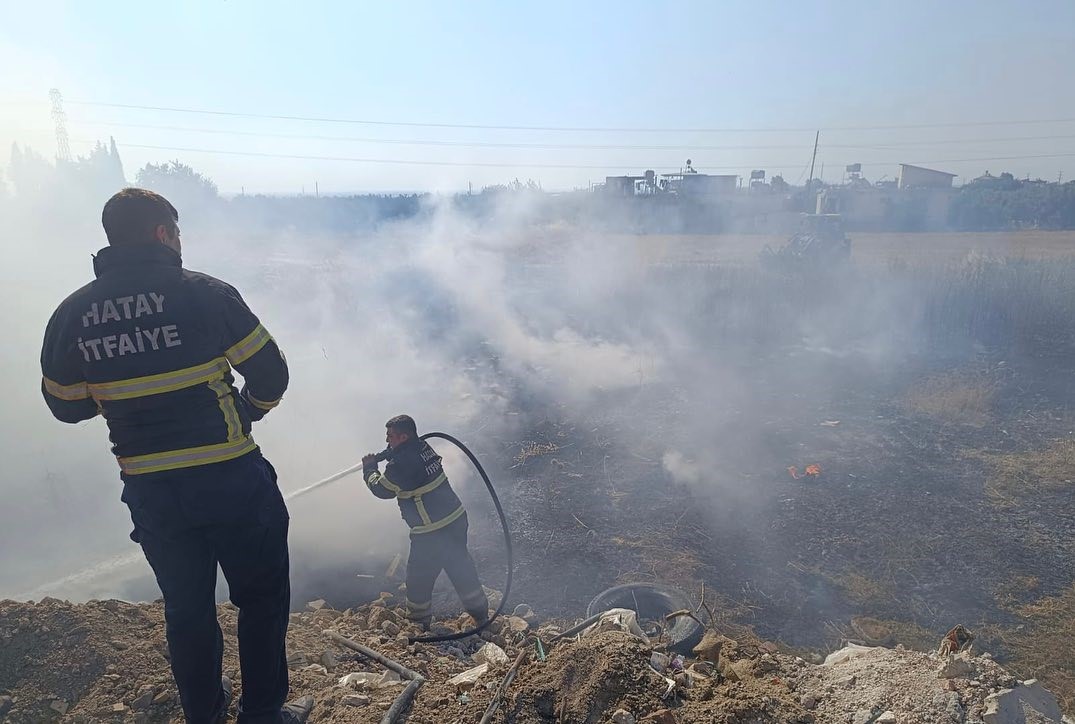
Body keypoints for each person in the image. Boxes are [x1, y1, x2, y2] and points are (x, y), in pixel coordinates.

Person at [39, 188, 313, 724]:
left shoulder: (72, 314)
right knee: (260, 598)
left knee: (187, 611)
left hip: (154, 491)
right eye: (178, 232)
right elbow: (271, 375)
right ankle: (263, 714)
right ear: (164, 233)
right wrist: (248, 410)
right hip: (232, 478)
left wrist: (123, 396)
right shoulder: (206, 294)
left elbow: (66, 407)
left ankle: (203, 717)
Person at [362, 415, 489, 627]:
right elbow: (404, 459)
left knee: (419, 578)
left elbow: (381, 489)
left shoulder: (401, 464)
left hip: (432, 531)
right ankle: (482, 616)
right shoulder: (422, 446)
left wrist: (369, 469)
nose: (387, 441)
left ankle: (418, 624)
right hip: (456, 520)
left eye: (391, 437)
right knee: (460, 566)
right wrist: (388, 454)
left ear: (404, 436)